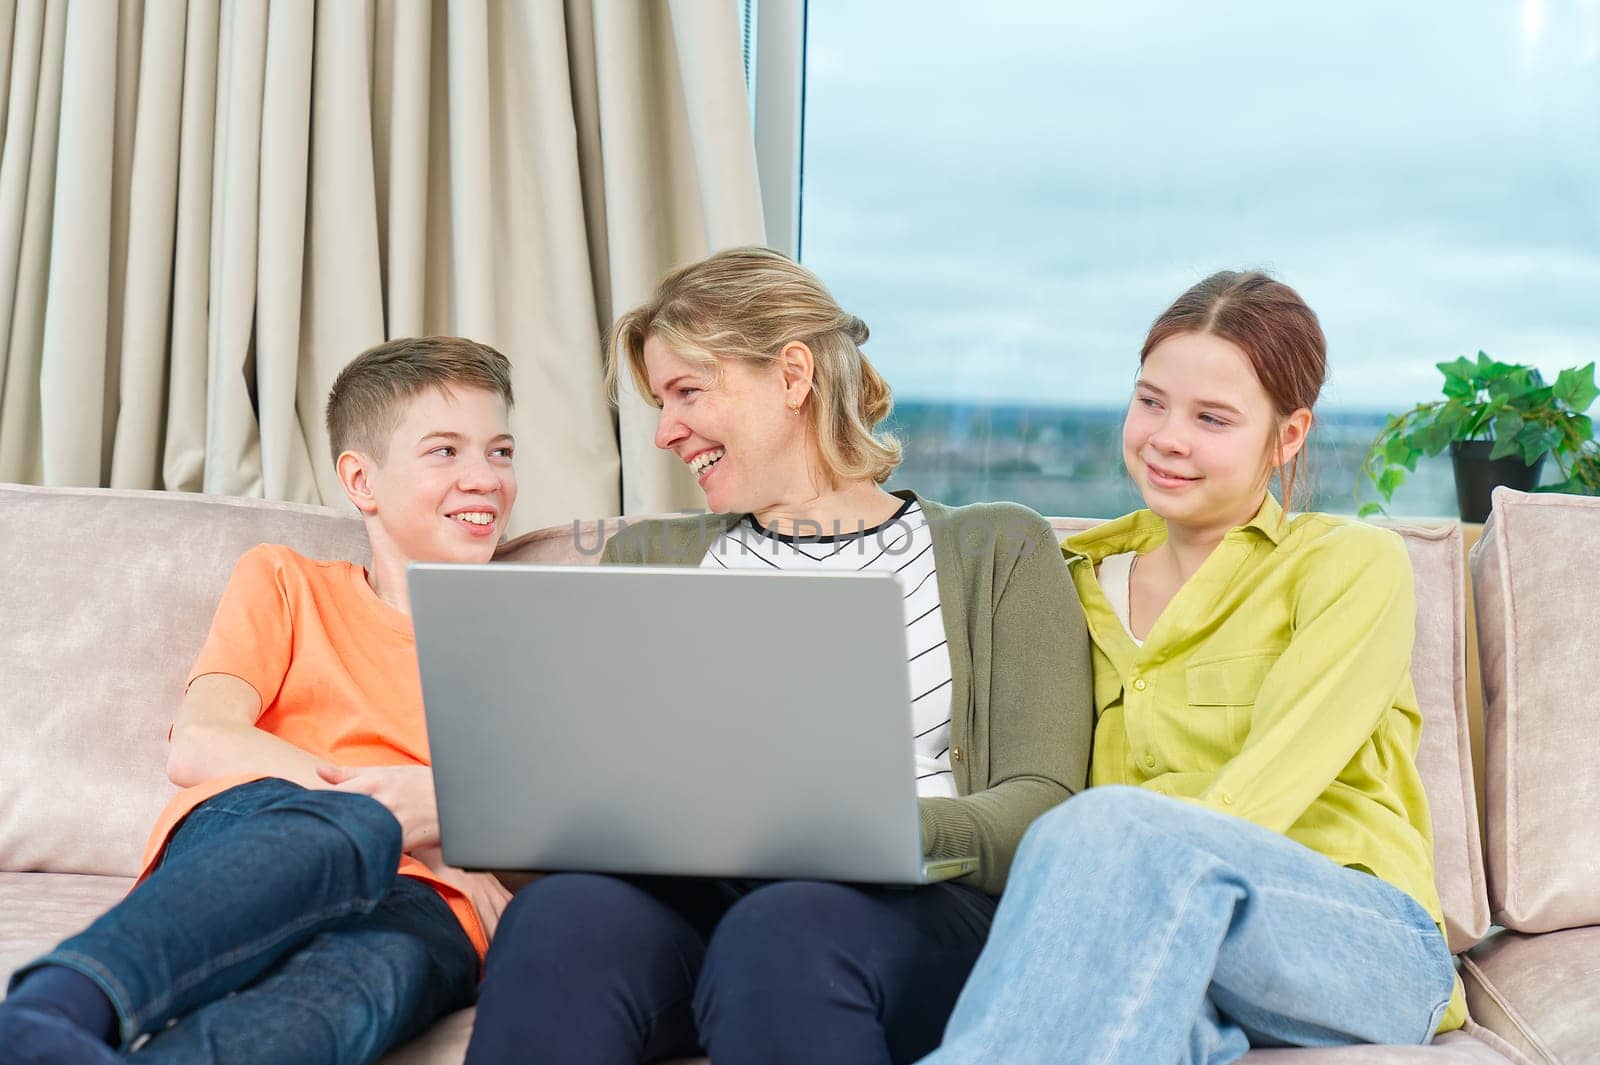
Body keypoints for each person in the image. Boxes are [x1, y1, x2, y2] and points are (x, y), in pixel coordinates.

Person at [464, 246, 1094, 1065]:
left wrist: (860, 833)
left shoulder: (996, 546)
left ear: (792, 375)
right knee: (560, 921)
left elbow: (1042, 802)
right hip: (696, 902)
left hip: (913, 910)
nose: (664, 432)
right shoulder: (646, 557)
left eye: (688, 392)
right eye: (661, 402)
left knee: (786, 929)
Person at [921, 271, 1467, 1064]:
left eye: (1212, 418)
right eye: (1150, 402)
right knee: (1144, 1023)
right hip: (1166, 940)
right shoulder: (1066, 580)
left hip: (1363, 946)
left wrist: (1097, 889)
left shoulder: (1351, 563)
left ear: (1287, 437)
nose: (1167, 437)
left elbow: (1263, 791)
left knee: (1113, 833)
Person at [0, 337, 521, 1064]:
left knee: (364, 980)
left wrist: (462, 840)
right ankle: (54, 1005)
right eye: (446, 451)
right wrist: (411, 818)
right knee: (345, 827)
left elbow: (559, 821)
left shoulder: (529, 633)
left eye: (500, 451)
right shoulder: (285, 581)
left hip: (433, 901)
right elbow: (202, 739)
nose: (485, 478)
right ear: (361, 480)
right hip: (270, 830)